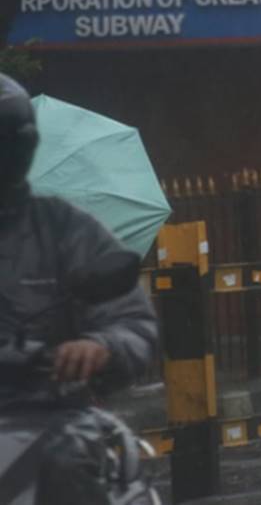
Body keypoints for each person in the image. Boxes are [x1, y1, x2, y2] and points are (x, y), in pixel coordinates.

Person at [0, 73, 159, 500]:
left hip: (50, 411)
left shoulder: (63, 229)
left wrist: (101, 345)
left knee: (70, 458)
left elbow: (132, 321)